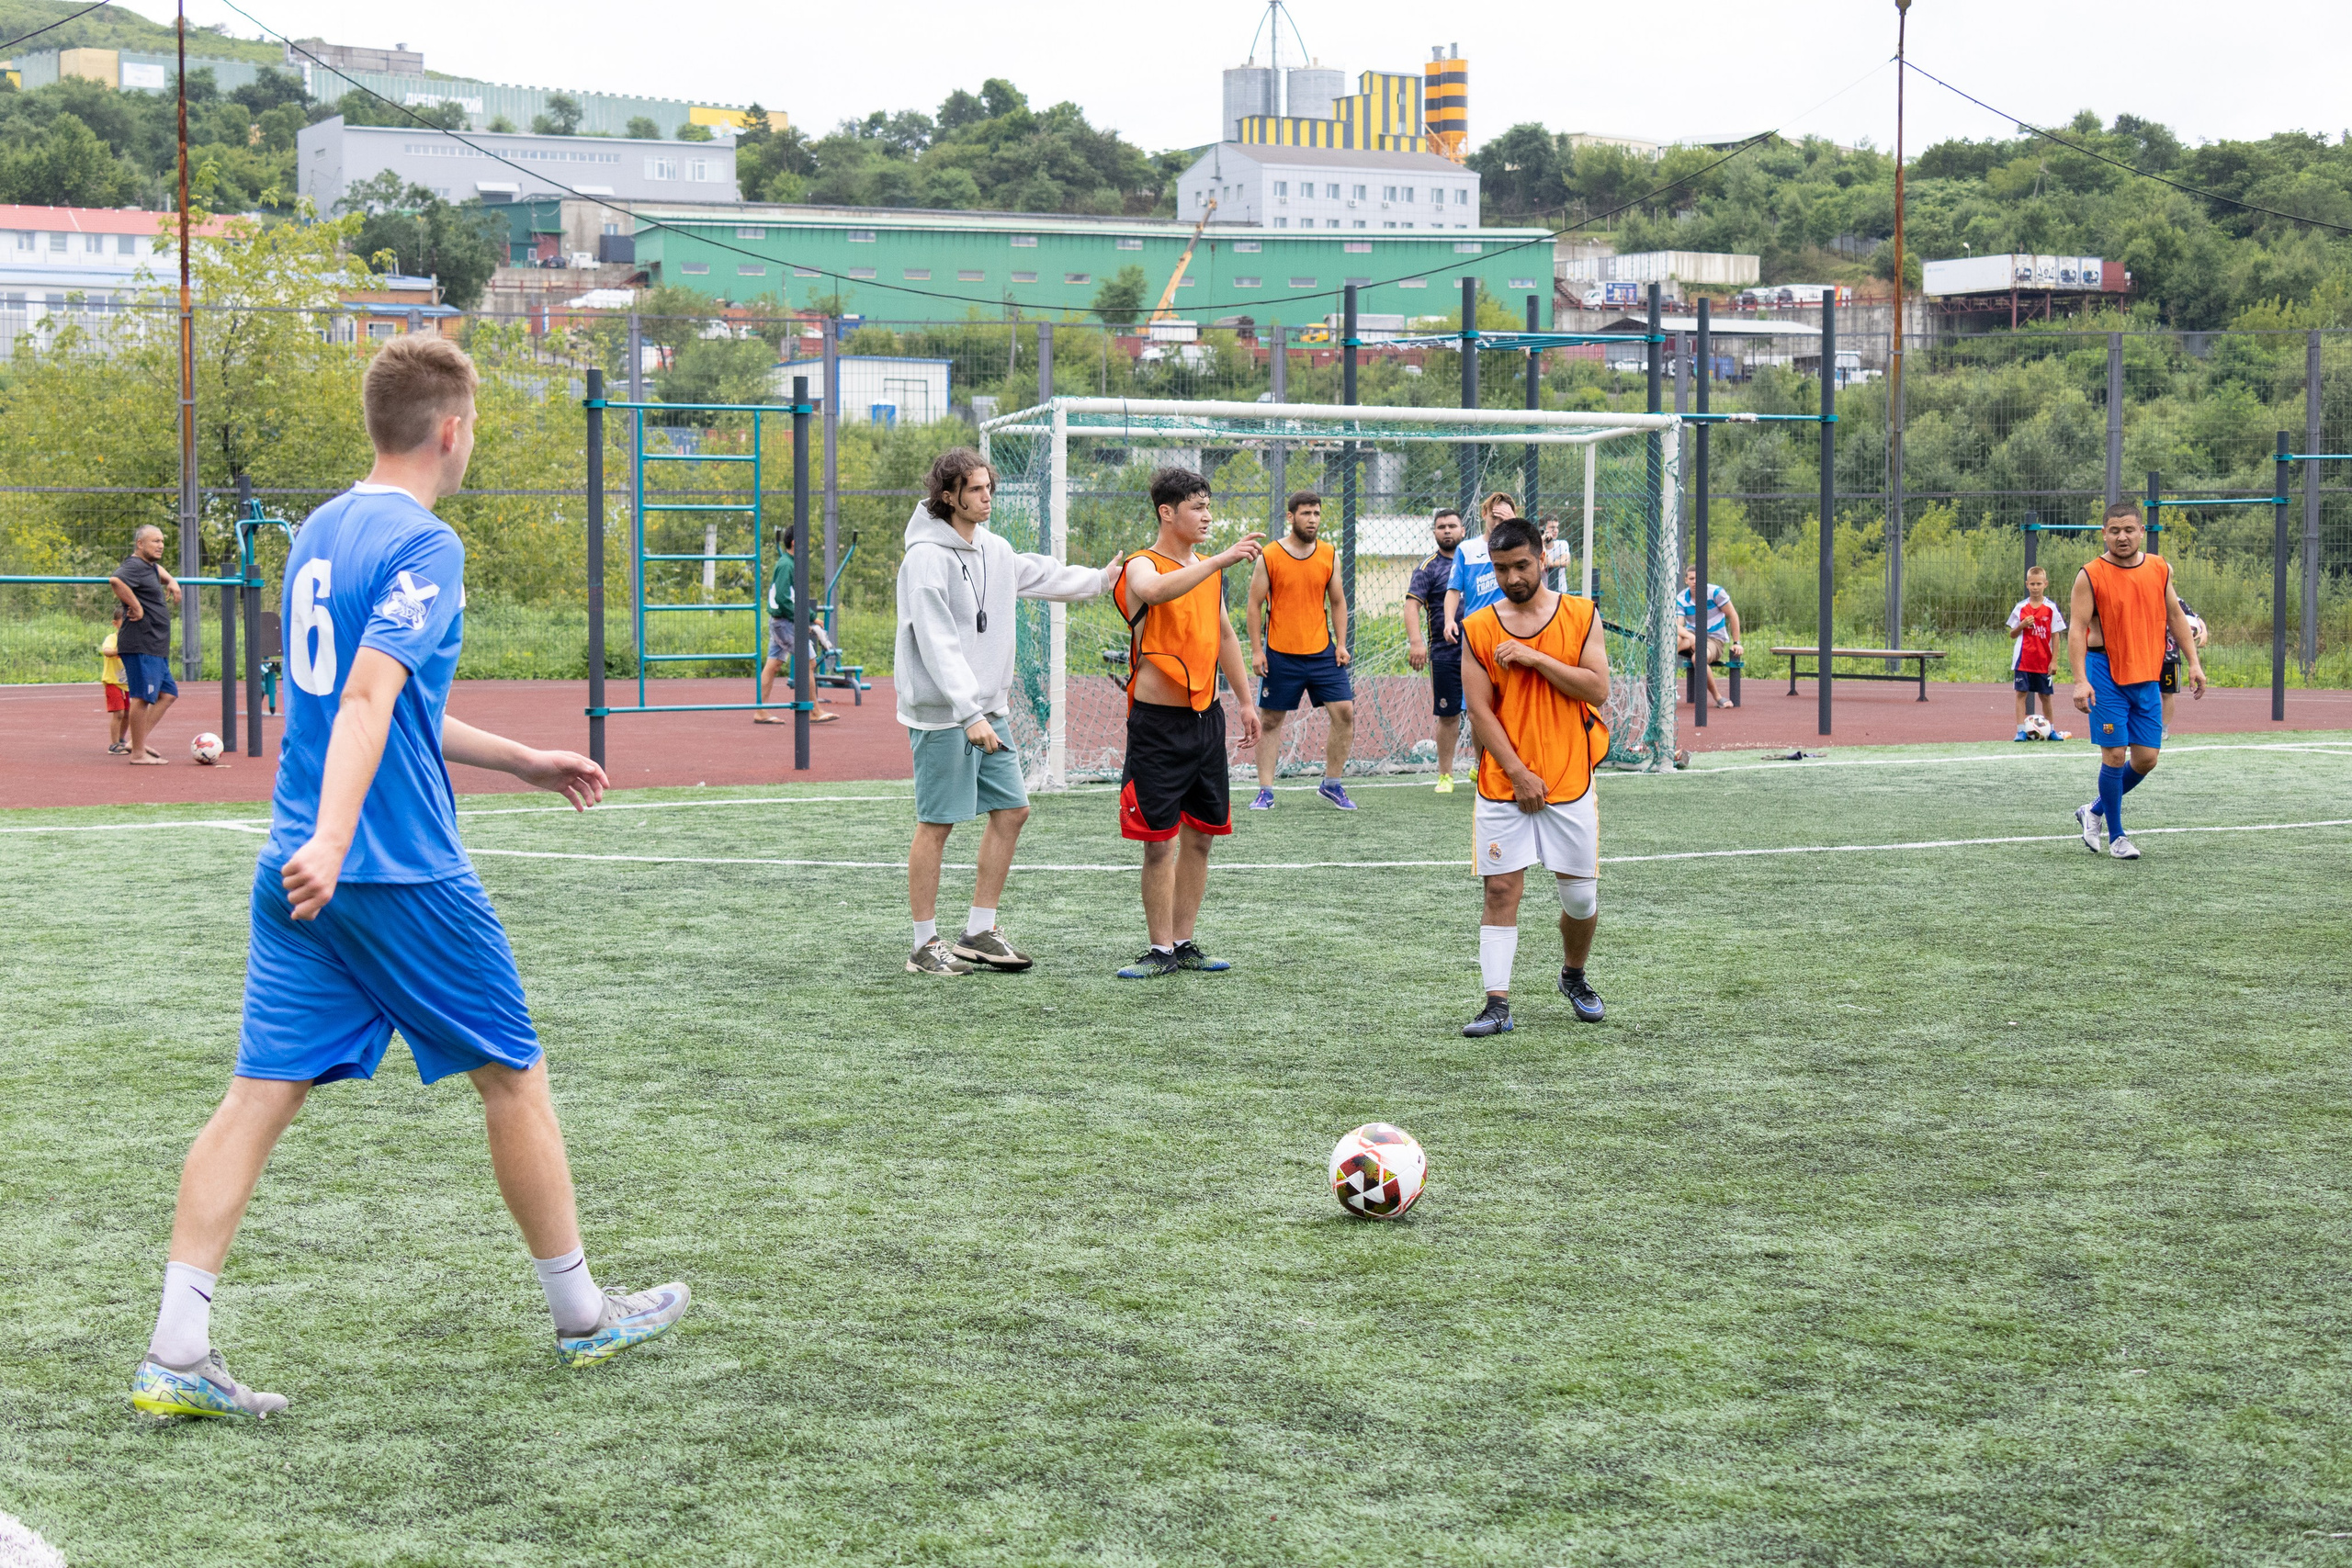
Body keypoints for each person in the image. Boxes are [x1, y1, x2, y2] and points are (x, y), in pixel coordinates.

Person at [130, 335, 685, 1423]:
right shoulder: (427, 541)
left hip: (293, 868)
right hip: (390, 870)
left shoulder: (319, 533)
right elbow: (370, 699)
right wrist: (341, 842)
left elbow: (373, 700)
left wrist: (520, 759)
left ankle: (175, 1350)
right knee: (512, 1076)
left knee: (255, 1095)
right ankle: (583, 1317)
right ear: (451, 430)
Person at [894, 447, 1125, 976]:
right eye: (975, 489)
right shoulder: (925, 558)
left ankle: (978, 930)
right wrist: (967, 712)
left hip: (987, 710)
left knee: (1013, 810)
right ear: (948, 495)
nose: (986, 497)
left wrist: (1100, 579)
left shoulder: (994, 550)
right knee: (937, 823)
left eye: (989, 487)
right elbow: (935, 641)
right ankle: (924, 945)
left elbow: (1039, 575)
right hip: (945, 715)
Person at [1457, 516, 1611, 1037]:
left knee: (1580, 898)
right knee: (1501, 890)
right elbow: (1479, 712)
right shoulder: (1478, 628)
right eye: (1500, 569)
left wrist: (1533, 657)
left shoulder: (1581, 614)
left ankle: (1573, 975)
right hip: (1504, 783)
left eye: (1521, 565)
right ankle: (1496, 1004)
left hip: (1570, 777)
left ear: (1542, 558)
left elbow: (1596, 689)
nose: (1511, 578)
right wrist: (1518, 772)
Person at [1110, 467, 1263, 979]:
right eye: (1197, 507)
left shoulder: (1207, 570)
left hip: (1205, 722)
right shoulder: (1139, 565)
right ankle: (1158, 951)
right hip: (1156, 725)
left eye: (1208, 506)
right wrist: (1220, 559)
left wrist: (1244, 701)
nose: (1207, 516)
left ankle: (1184, 941)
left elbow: (1224, 637)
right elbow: (1154, 592)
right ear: (1166, 512)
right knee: (1160, 841)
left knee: (1201, 835)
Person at [2069, 500, 2206, 862]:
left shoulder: (2159, 568)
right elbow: (2077, 630)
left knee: (2146, 760)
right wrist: (2081, 680)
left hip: (2147, 675)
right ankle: (2118, 837)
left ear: (2142, 531)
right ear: (2104, 534)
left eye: (2129, 529)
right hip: (2106, 673)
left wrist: (2194, 663)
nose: (2122, 536)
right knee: (2114, 756)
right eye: (2114, 530)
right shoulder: (2090, 574)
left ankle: (2093, 810)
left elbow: (2175, 615)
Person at [1246, 490, 1355, 811]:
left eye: (1317, 513)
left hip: (1322, 651)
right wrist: (1256, 650)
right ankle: (1265, 790)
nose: (1312, 519)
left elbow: (1338, 601)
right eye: (1306, 513)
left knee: (1345, 713)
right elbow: (1253, 605)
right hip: (1280, 652)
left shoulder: (1329, 554)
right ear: (1291, 517)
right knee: (1271, 721)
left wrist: (1342, 644)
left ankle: (1331, 784)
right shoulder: (1270, 555)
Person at [1402, 507, 1468, 793]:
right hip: (1445, 653)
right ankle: (1446, 776)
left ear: (1463, 530)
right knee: (1449, 715)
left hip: (1480, 650)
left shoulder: (1477, 562)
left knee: (1485, 711)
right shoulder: (1428, 568)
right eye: (1441, 526)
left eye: (1452, 526)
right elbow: (1411, 606)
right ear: (1434, 532)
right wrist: (1416, 641)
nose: (1447, 530)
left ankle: (1484, 768)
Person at [109, 523, 180, 765]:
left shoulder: (148, 567)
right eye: (155, 541)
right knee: (142, 698)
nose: (160, 545)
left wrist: (172, 580)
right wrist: (136, 606)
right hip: (141, 643)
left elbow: (158, 570)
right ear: (140, 544)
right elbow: (116, 581)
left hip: (155, 645)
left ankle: (134, 742)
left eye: (162, 541)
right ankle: (138, 754)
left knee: (168, 694)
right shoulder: (134, 565)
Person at [755, 525, 836, 726]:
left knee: (773, 665)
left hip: (781, 622)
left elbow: (793, 598)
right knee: (808, 662)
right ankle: (814, 711)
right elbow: (783, 598)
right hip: (784, 623)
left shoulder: (790, 563)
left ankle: (761, 711)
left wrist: (808, 616)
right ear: (794, 543)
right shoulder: (786, 565)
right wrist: (804, 619)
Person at [2007, 566, 2069, 740]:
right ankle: (2020, 730)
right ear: (2027, 584)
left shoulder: (2051, 608)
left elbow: (2056, 635)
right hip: (2023, 660)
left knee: (2046, 696)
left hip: (2043, 661)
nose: (2035, 587)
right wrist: (2022, 625)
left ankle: (2051, 730)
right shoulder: (2020, 608)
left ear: (2045, 584)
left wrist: (2054, 661)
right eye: (2032, 584)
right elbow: (2012, 634)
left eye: (2039, 584)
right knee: (2021, 694)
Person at [1675, 566, 1741, 710]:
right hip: (1692, 636)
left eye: (1698, 578)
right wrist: (1691, 638)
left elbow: (1733, 614)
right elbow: (1677, 626)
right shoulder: (1681, 598)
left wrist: (1737, 643)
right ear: (1686, 580)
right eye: (1691, 578)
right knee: (1674, 641)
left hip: (1713, 640)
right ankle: (1665, 688)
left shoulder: (1716, 593)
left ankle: (1717, 697)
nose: (1695, 582)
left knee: (1698, 658)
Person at [2161, 594, 2209, 729]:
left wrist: (2203, 631)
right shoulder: (2146, 595)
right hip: (2148, 656)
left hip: (2170, 657)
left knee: (2167, 693)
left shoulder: (2176, 601)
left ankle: (2164, 729)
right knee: (2145, 692)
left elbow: (2195, 618)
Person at [101, 605, 130, 754]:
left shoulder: (133, 639)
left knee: (128, 713)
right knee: (118, 712)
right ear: (115, 623)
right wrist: (117, 651)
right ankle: (113, 744)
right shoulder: (112, 639)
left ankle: (120, 739)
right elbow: (106, 651)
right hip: (113, 681)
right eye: (123, 621)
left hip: (128, 684)